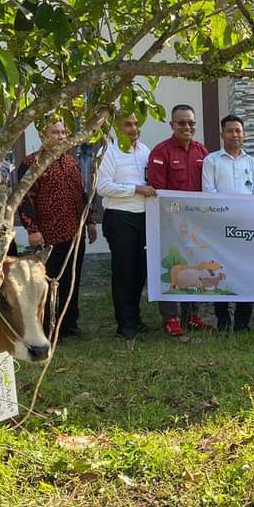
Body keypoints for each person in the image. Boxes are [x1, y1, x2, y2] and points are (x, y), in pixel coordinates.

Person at [17, 118, 98, 340]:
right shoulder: (32, 163)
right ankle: (48, 328)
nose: (61, 137)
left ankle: (69, 323)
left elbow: (81, 194)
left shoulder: (71, 162)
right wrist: (32, 229)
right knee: (49, 282)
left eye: (63, 132)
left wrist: (90, 222)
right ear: (42, 135)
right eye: (55, 133)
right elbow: (24, 199)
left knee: (72, 279)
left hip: (75, 232)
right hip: (49, 234)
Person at [147, 103, 211, 337]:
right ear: (172, 125)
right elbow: (158, 191)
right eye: (182, 123)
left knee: (194, 266)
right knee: (172, 267)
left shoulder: (202, 152)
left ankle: (191, 315)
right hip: (169, 223)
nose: (187, 127)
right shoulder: (160, 152)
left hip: (196, 224)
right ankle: (171, 317)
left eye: (191, 123)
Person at [96, 112, 154, 341]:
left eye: (136, 123)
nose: (133, 128)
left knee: (140, 270)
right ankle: (125, 324)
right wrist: (135, 189)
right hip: (120, 217)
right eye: (128, 125)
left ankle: (135, 318)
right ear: (117, 128)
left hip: (143, 217)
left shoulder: (145, 151)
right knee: (123, 271)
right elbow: (102, 187)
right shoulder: (108, 152)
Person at [203, 114, 254, 332]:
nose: (234, 135)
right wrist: (229, 211)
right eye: (230, 131)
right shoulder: (211, 161)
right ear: (222, 134)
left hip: (246, 227)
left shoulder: (251, 162)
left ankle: (242, 322)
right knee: (220, 271)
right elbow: (209, 192)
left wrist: (243, 211)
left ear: (244, 134)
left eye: (238, 131)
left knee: (246, 272)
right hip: (220, 226)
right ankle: (223, 319)